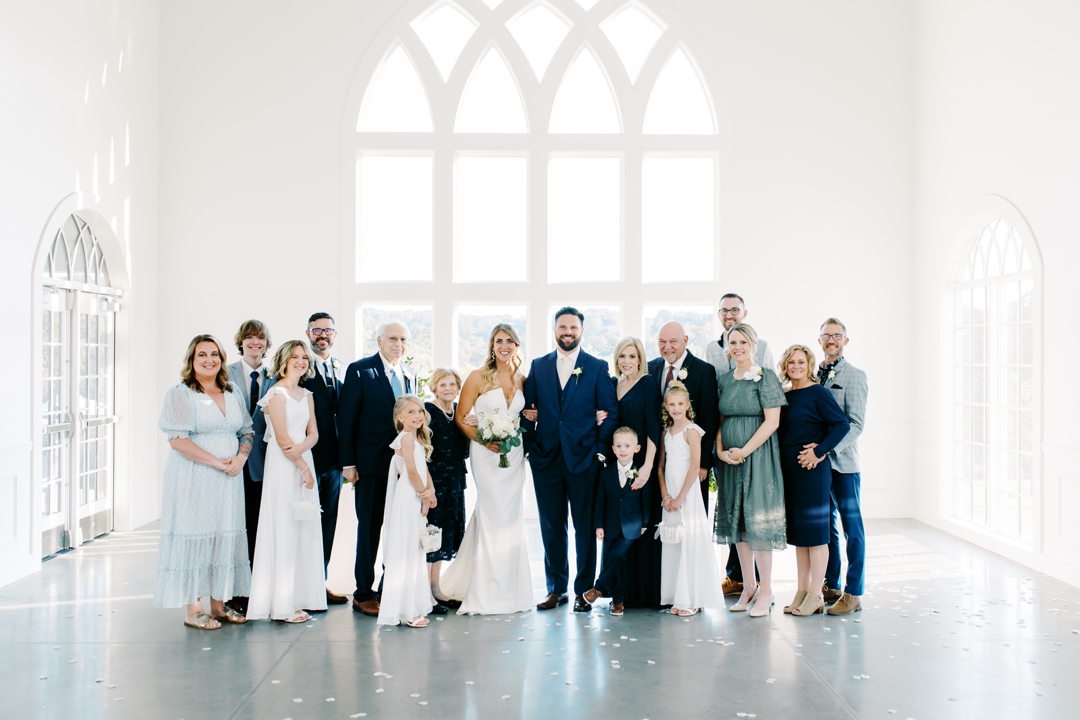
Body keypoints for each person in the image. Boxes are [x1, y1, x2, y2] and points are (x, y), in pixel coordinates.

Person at [522, 308, 619, 613]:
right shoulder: (538, 366)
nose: (568, 332)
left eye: (573, 327)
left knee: (585, 527)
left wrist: (599, 451)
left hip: (585, 459)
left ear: (581, 331)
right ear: (554, 330)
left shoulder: (597, 367)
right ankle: (556, 589)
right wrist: (529, 448)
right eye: (562, 326)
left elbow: (610, 413)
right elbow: (526, 409)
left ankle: (582, 590)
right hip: (546, 459)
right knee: (552, 526)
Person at [155, 335, 253, 630]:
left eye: (214, 354)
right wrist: (216, 462)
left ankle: (219, 606)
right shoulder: (181, 393)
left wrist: (241, 457)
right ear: (192, 359)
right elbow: (177, 440)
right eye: (202, 354)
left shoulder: (232, 390)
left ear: (222, 359)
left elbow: (246, 430)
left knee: (223, 537)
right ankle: (193, 609)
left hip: (229, 479)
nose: (209, 360)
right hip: (194, 476)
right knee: (195, 537)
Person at [442, 325, 534, 615]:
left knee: (509, 516)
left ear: (516, 345)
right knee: (494, 512)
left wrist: (531, 415)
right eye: (498, 341)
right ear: (492, 346)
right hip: (485, 453)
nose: (504, 346)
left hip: (513, 454)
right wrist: (485, 440)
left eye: (509, 341)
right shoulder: (477, 376)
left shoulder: (522, 379)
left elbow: (526, 415)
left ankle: (509, 589)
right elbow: (461, 417)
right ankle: (487, 590)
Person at [339, 322, 418, 617]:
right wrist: (348, 463)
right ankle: (363, 593)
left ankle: (388, 589)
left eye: (403, 339)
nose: (398, 344)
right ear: (379, 341)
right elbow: (347, 418)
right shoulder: (360, 370)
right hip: (370, 464)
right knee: (370, 530)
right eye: (393, 338)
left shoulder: (409, 373)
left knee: (398, 529)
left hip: (402, 467)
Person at [247, 340, 326, 622]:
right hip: (284, 465)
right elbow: (282, 439)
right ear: (284, 361)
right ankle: (282, 604)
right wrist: (303, 467)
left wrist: (303, 456)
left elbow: (314, 433)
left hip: (303, 458)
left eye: (304, 357)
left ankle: (301, 597)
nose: (301, 361)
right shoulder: (275, 394)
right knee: (284, 525)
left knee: (303, 526)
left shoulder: (307, 394)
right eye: (295, 357)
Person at [713, 323, 787, 618]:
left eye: (743, 342)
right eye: (733, 342)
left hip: (758, 458)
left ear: (754, 345)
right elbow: (719, 420)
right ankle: (749, 587)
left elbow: (772, 422)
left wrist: (744, 451)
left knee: (758, 523)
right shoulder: (724, 380)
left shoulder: (766, 377)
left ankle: (766, 590)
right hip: (729, 461)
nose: (738, 347)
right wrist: (721, 451)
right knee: (738, 525)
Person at [703, 294, 774, 597]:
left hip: (755, 447)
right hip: (726, 443)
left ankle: (760, 584)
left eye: (735, 310)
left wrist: (747, 448)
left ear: (745, 313)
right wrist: (719, 449)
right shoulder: (712, 350)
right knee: (733, 513)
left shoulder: (764, 353)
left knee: (755, 514)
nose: (729, 314)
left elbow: (771, 401)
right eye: (724, 310)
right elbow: (712, 396)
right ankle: (739, 579)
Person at [776, 345, 850, 617]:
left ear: (809, 365)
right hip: (790, 473)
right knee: (801, 537)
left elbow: (841, 424)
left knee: (817, 537)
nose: (796, 366)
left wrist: (820, 451)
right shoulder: (785, 395)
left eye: (801, 362)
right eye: (791, 362)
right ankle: (802, 591)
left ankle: (816, 594)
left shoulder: (818, 392)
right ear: (785, 366)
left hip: (812, 472)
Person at [657, 382, 723, 616]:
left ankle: (693, 599)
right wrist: (666, 495)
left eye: (680, 404)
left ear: (687, 405)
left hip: (687, 493)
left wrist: (680, 498)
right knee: (673, 540)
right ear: (666, 407)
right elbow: (660, 467)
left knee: (689, 540)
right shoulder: (666, 432)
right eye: (672, 404)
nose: (676, 408)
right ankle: (677, 596)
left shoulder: (692, 431)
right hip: (670, 493)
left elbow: (695, 467)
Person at [818, 318, 869, 615]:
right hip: (818, 466)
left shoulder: (855, 376)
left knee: (853, 529)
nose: (831, 340)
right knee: (826, 528)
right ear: (820, 340)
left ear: (845, 341)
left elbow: (856, 424)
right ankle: (831, 584)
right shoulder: (813, 374)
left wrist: (827, 449)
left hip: (844, 464)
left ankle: (854, 593)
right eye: (826, 336)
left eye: (837, 336)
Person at [609, 337, 664, 607]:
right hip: (618, 462)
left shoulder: (648, 383)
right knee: (619, 525)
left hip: (642, 463)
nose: (626, 361)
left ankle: (645, 594)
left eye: (632, 356)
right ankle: (621, 594)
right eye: (622, 356)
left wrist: (647, 467)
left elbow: (654, 427)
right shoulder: (613, 384)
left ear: (640, 359)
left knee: (641, 525)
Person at [377, 395, 437, 628]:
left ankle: (411, 605)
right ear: (400, 417)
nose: (418, 416)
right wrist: (424, 496)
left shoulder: (415, 438)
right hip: (410, 495)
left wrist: (431, 490)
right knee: (407, 550)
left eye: (420, 411)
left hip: (417, 492)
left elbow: (423, 469)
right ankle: (406, 610)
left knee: (414, 549)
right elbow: (410, 472)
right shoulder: (405, 439)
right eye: (411, 412)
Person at [226, 319, 272, 615]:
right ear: (241, 341)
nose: (255, 342)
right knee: (233, 525)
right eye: (250, 337)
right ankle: (232, 591)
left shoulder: (274, 374)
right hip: (231, 459)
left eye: (261, 338)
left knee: (256, 525)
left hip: (264, 462)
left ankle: (254, 588)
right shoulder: (225, 373)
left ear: (266, 344)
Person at [302, 312, 348, 606]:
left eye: (328, 330)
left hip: (335, 462)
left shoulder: (343, 369)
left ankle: (319, 583)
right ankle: (301, 586)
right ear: (308, 333)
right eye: (317, 330)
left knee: (327, 523)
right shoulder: (299, 367)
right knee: (303, 523)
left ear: (334, 334)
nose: (323, 335)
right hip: (307, 459)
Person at [647, 322, 718, 509]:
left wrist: (704, 464)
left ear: (685, 340)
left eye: (673, 341)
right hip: (657, 456)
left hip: (690, 459)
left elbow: (709, 420)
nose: (667, 347)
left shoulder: (704, 371)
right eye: (662, 342)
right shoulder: (650, 368)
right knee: (661, 509)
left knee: (690, 510)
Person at [583, 427, 650, 616]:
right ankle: (618, 600)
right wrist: (599, 525)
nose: (623, 450)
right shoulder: (606, 472)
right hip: (610, 524)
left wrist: (645, 522)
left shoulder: (640, 472)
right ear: (613, 449)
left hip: (632, 524)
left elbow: (646, 499)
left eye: (627, 446)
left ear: (636, 448)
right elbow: (600, 500)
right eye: (619, 446)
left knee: (616, 555)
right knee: (614, 560)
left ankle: (597, 588)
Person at [423, 367, 470, 612]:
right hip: (435, 482)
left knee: (444, 535)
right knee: (430, 535)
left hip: (454, 482)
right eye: (442, 384)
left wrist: (473, 429)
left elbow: (465, 449)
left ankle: (435, 587)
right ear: (434, 388)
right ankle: (425, 592)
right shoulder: (427, 411)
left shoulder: (459, 411)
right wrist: (427, 488)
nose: (448, 388)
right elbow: (421, 449)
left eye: (452, 384)